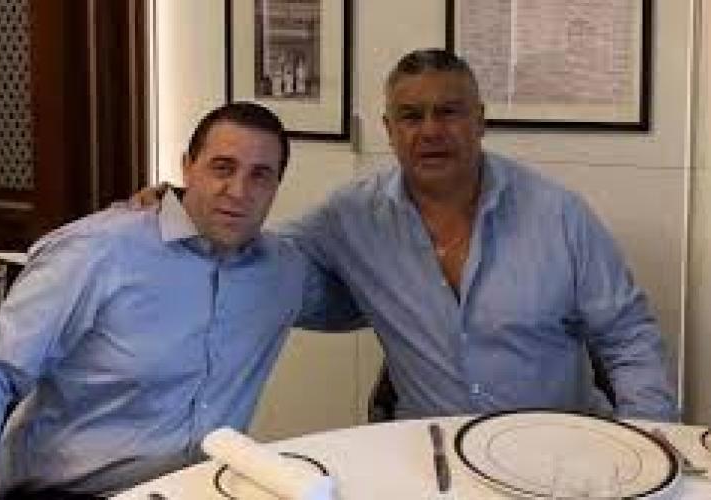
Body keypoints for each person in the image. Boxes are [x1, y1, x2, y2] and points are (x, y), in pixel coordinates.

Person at [132, 50, 677, 421]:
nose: (431, 130)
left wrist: (648, 441)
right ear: (389, 131)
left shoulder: (558, 214)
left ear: (480, 121)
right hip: (427, 457)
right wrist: (182, 204)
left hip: (557, 451)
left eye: (449, 112)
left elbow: (629, 336)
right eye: (411, 116)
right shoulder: (352, 217)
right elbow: (258, 248)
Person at [0, 102, 359, 499]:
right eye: (222, 168)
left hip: (202, 487)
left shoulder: (283, 272)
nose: (238, 191)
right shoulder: (98, 251)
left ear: (276, 187)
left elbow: (364, 304)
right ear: (187, 167)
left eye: (260, 176)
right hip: (75, 490)